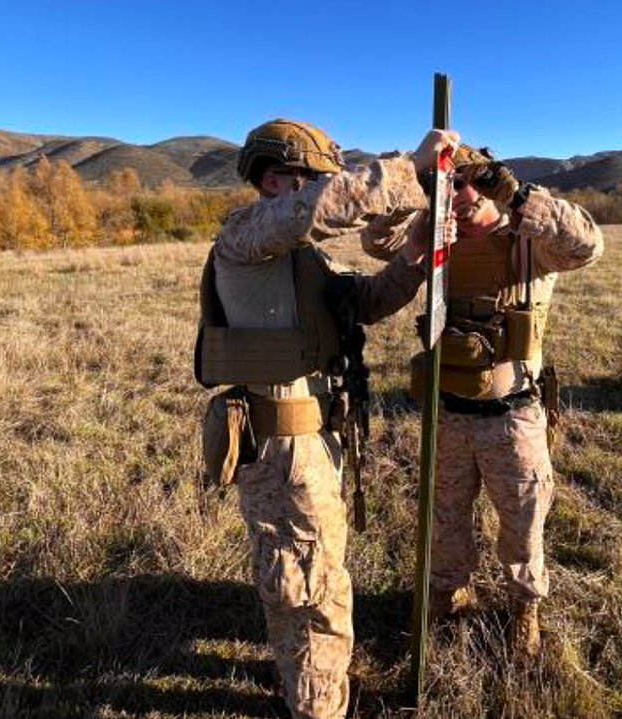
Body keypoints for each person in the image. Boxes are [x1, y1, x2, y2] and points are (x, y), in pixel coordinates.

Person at [194, 118, 457, 719]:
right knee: (311, 586)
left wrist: (414, 260)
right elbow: (322, 207)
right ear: (275, 180)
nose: (322, 191)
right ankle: (318, 704)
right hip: (284, 442)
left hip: (314, 438)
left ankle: (310, 678)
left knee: (312, 572)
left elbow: (361, 304)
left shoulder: (299, 256)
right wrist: (409, 170)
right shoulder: (246, 233)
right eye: (312, 181)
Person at [365, 145, 603, 656]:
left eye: (470, 184)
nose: (461, 197)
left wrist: (516, 192)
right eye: (449, 188)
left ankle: (524, 606)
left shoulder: (529, 241)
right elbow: (375, 240)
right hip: (448, 411)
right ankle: (449, 591)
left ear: (490, 184)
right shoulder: (435, 236)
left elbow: (587, 245)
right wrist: (413, 186)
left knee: (522, 517)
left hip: (511, 413)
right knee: (446, 514)